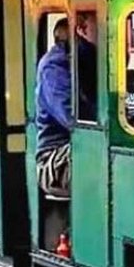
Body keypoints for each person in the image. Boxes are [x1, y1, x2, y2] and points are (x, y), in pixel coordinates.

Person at [36, 19, 95, 198]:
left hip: (82, 146)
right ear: (81, 30)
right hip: (55, 159)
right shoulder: (54, 67)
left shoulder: (92, 60)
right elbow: (76, 119)